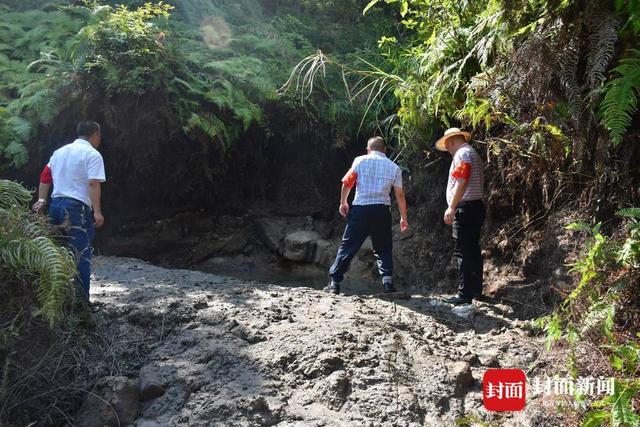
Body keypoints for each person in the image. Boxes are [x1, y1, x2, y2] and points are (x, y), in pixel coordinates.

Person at [325, 136, 409, 295]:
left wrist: (343, 202)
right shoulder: (394, 167)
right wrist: (403, 217)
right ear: (384, 150)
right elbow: (399, 195)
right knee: (383, 247)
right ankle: (387, 283)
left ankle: (335, 283)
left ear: (368, 150)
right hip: (382, 210)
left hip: (361, 209)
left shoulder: (360, 161)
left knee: (348, 246)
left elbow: (347, 183)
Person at [32, 121, 106, 300]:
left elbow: (45, 176)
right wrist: (97, 211)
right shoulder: (92, 154)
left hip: (55, 206)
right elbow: (93, 183)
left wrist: (42, 200)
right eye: (99, 135)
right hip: (76, 208)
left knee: (55, 252)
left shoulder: (59, 152)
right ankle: (81, 303)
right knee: (81, 253)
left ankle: (54, 299)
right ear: (95, 134)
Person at [435, 127, 485, 305]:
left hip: (465, 208)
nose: (447, 149)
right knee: (473, 250)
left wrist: (451, 207)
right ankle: (476, 291)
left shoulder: (462, 154)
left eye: (447, 145)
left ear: (451, 141)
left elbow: (462, 180)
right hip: (476, 207)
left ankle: (464, 294)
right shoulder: (473, 153)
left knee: (463, 251)